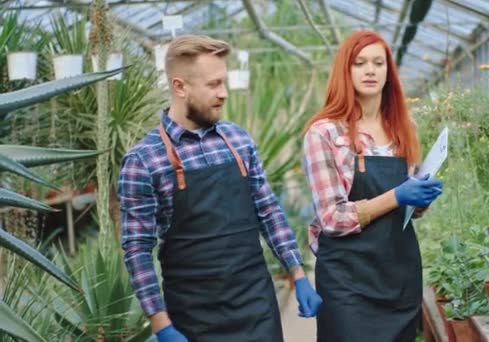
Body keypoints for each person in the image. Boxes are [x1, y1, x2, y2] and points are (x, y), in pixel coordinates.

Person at [118, 34, 322, 342]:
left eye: (224, 82)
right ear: (179, 87)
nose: (224, 93)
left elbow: (267, 210)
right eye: (213, 85)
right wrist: (161, 324)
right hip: (194, 320)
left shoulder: (238, 141)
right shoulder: (144, 160)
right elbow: (137, 250)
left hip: (257, 309)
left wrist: (297, 273)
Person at [301, 30, 443, 342]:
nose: (370, 70)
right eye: (360, 63)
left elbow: (405, 210)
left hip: (397, 273)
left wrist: (419, 200)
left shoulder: (401, 129)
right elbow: (332, 219)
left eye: (379, 63)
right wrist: (397, 195)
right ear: (345, 71)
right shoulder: (324, 134)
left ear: (388, 72)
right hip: (347, 283)